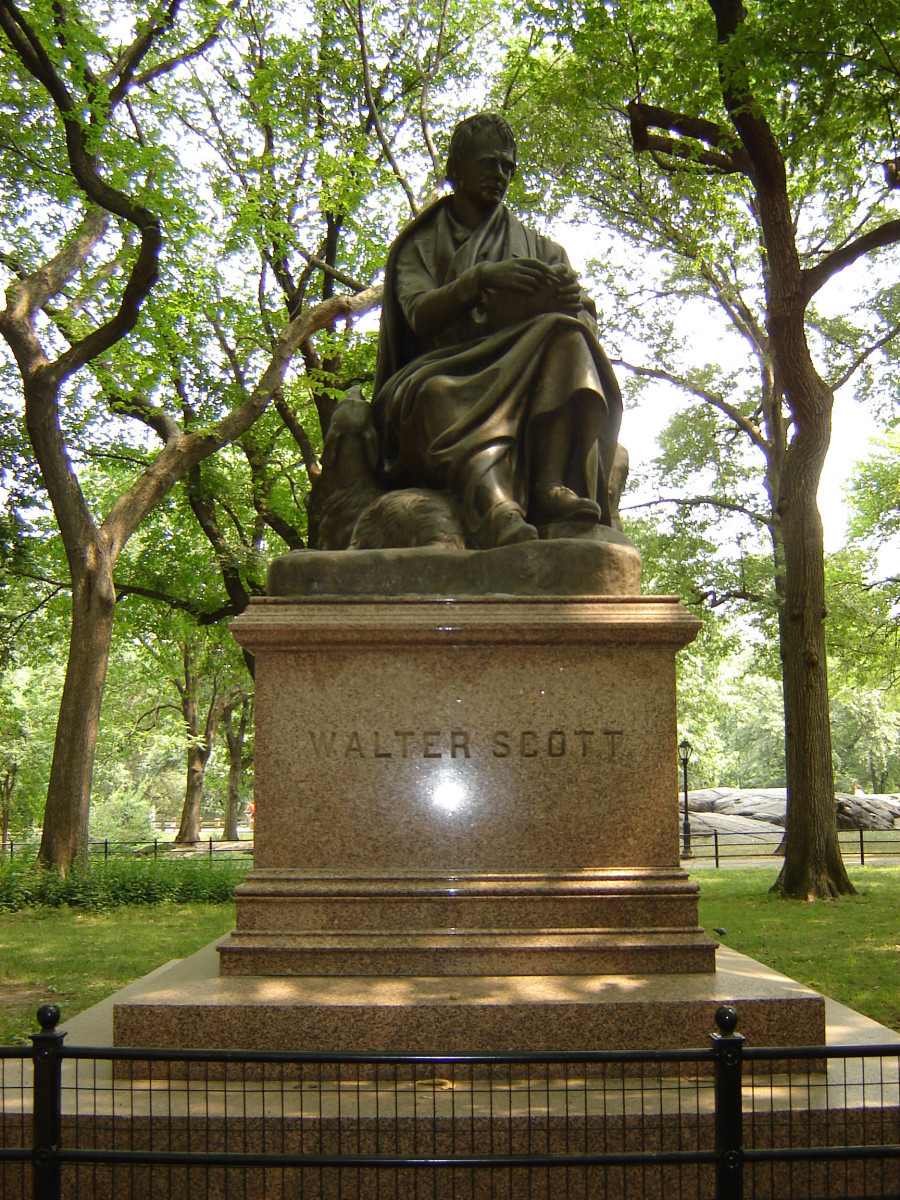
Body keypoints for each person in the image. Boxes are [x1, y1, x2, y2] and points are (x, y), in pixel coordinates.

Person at [371, 112, 623, 549]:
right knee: (438, 395)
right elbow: (419, 314)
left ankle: (547, 483)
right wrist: (481, 279)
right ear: (455, 170)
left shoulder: (541, 248)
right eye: (489, 163)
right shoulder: (420, 245)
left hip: (524, 364)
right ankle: (495, 506)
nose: (500, 175)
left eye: (508, 166)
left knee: (567, 334)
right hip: (443, 370)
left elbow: (584, 314)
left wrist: (569, 304)